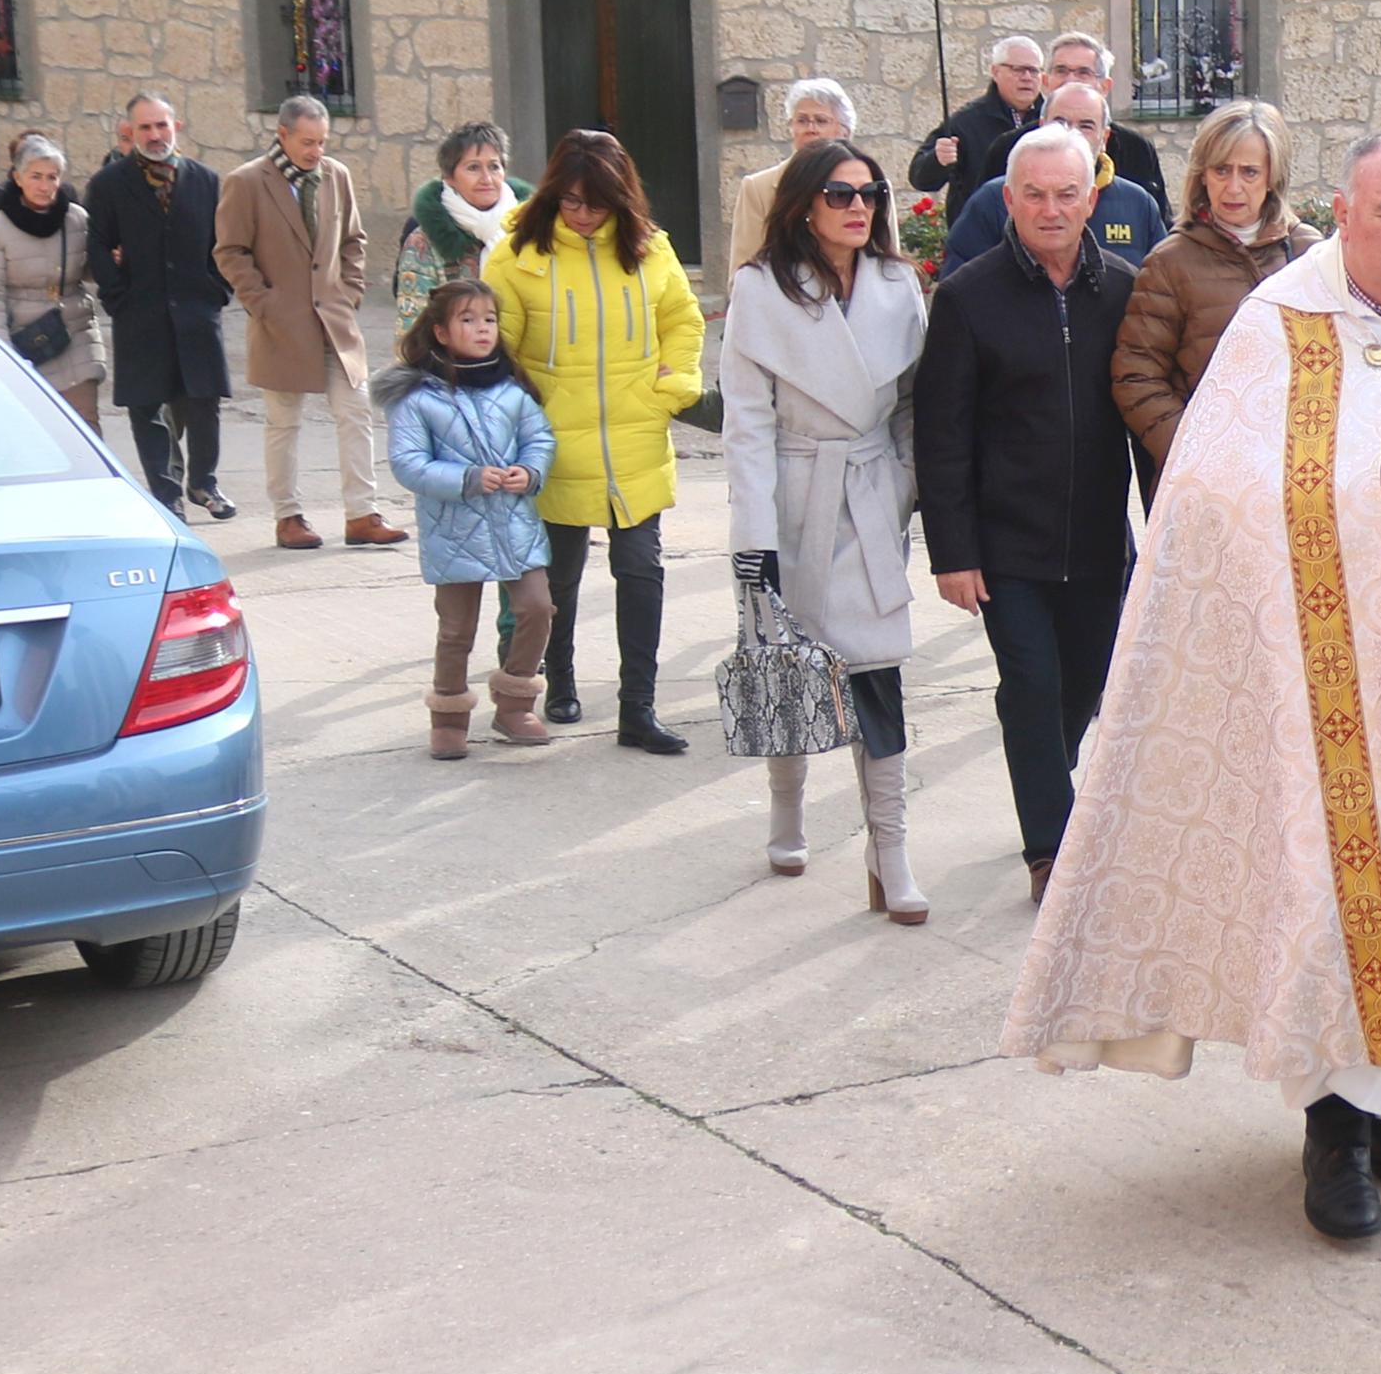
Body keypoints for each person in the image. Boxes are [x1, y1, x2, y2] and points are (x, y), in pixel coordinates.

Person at [999, 129, 1381, 1237]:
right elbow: (1205, 491)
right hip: (1316, 675)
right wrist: (1359, 486)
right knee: (1335, 889)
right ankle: (1331, 1131)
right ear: (1341, 210)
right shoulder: (1280, 318)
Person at [915, 126, 1137, 892]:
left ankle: (1046, 775)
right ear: (1007, 200)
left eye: (1066, 194)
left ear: (1091, 199)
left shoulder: (1126, 289)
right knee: (1032, 688)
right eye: (1034, 195)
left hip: (1101, 544)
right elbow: (940, 437)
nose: (1050, 209)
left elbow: (1148, 418)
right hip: (1007, 549)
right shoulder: (968, 297)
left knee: (1080, 689)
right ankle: (1051, 849)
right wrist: (952, 552)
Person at [721, 142, 933, 922]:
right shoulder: (759, 290)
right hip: (791, 497)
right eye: (840, 194)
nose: (859, 207)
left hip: (872, 493)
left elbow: (912, 402)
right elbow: (744, 424)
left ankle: (890, 850)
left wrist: (904, 484)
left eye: (870, 193)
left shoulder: (895, 285)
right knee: (786, 665)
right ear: (804, 203)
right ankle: (787, 811)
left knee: (878, 672)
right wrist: (753, 537)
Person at [486, 128, 706, 751]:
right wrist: (527, 414)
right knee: (558, 577)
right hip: (553, 441)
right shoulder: (516, 255)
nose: (582, 216)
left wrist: (675, 381)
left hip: (636, 434)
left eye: (597, 203)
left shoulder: (650, 248)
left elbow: (682, 320)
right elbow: (497, 346)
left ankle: (639, 706)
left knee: (641, 570)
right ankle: (558, 680)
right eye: (572, 202)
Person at [382, 280, 562, 761]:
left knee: (537, 607)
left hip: (514, 524)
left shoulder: (512, 390)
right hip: (454, 530)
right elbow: (408, 463)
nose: (482, 329)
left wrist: (530, 470)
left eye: (489, 319)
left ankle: (516, 701)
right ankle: (448, 717)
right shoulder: (418, 398)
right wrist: (467, 478)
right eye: (468, 320)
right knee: (456, 629)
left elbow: (539, 439)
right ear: (440, 332)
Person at [219, 95, 399, 553]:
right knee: (283, 422)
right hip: (281, 324)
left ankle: (362, 513)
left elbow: (354, 240)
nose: (315, 151)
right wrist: (264, 304)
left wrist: (351, 291)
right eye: (307, 141)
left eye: (321, 142)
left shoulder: (336, 175)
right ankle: (288, 516)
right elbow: (230, 251)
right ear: (282, 135)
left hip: (335, 320)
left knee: (355, 411)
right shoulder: (246, 182)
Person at [1106, 95, 1308, 481]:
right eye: (1221, 170)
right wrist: (1196, 453)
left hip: (1296, 474)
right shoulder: (1170, 261)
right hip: (1205, 479)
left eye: (1249, 172)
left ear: (1272, 177)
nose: (1233, 187)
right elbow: (1137, 377)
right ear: (1202, 175)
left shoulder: (1308, 252)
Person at [82, 93, 236, 519]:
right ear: (130, 132)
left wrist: (217, 290)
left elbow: (222, 243)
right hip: (140, 312)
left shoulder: (205, 180)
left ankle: (204, 483)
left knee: (204, 400)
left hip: (196, 310)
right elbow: (97, 244)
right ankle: (166, 494)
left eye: (161, 126)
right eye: (145, 128)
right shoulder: (109, 184)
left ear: (176, 127)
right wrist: (116, 296)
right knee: (148, 407)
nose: (154, 135)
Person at [941, 79, 1162, 276]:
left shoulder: (1138, 204)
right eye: (1060, 122)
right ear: (1040, 126)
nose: (1072, 133)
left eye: (1086, 125)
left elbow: (1161, 292)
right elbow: (961, 292)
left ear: (1104, 137)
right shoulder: (993, 200)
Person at [0, 138, 103, 429]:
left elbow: (93, 271)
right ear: (18, 178)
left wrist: (113, 258)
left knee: (85, 426)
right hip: (25, 341)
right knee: (38, 429)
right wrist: (2, 350)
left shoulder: (77, 219)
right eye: (36, 177)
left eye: (52, 177)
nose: (45, 186)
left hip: (75, 333)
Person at [726, 78, 863, 277]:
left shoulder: (871, 189)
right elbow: (743, 270)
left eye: (821, 120)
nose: (810, 128)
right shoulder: (758, 188)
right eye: (802, 120)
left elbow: (886, 261)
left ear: (844, 132)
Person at [908, 34, 1047, 226]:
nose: (1027, 78)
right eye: (1018, 70)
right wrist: (938, 160)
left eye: (1034, 70)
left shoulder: (1052, 118)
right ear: (995, 71)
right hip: (981, 235)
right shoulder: (966, 121)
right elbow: (920, 178)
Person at [393, 123, 522, 329]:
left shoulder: (526, 229)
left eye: (494, 166)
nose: (487, 179)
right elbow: (412, 328)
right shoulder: (424, 242)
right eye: (473, 168)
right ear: (450, 178)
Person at [1041, 31, 1169, 201]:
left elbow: (1155, 221)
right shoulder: (1011, 147)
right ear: (1045, 81)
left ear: (1105, 86)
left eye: (1083, 73)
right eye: (1061, 71)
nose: (1070, 80)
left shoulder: (1136, 150)